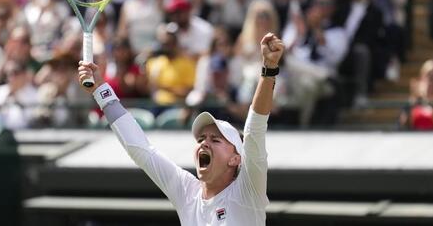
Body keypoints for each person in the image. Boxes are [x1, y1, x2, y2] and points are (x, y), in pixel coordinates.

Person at [78, 32, 285, 225]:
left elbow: (254, 129)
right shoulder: (186, 191)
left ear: (236, 158)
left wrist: (268, 71)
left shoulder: (248, 189)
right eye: (202, 138)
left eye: (215, 139)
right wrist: (101, 90)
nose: (204, 142)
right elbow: (140, 149)